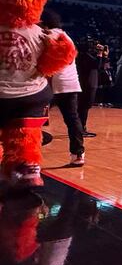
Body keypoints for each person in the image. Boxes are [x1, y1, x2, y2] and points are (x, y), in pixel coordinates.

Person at [40, 11, 85, 166]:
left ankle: (27, 156)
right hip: (71, 85)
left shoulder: (46, 36)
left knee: (32, 120)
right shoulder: (68, 37)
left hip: (53, 85)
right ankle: (78, 155)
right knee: (73, 120)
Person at [75, 39, 108, 137]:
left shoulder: (85, 56)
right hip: (87, 85)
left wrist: (104, 56)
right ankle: (81, 129)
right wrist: (99, 54)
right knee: (84, 107)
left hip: (88, 84)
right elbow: (96, 65)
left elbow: (100, 66)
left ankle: (81, 128)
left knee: (84, 107)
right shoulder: (83, 56)